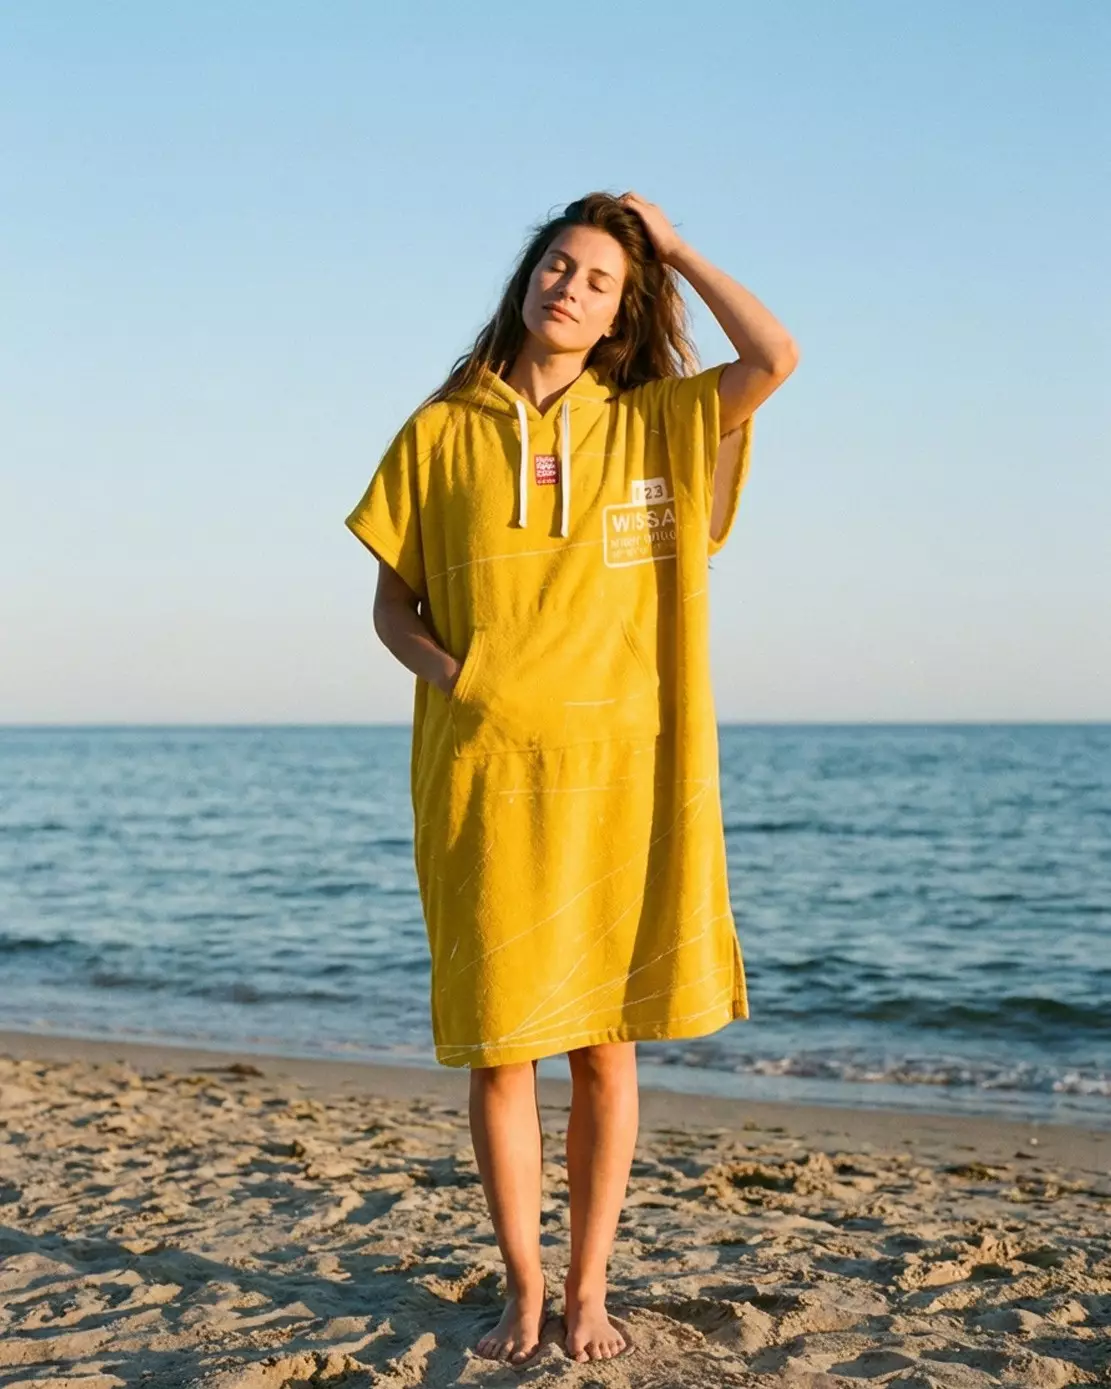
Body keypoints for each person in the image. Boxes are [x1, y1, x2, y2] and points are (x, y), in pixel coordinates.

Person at [344, 190, 798, 1365]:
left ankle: (590, 1290)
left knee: (603, 1044)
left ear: (617, 314)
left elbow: (774, 354)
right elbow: (390, 602)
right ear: (526, 278)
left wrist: (678, 245)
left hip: (620, 778)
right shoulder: (439, 429)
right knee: (502, 1046)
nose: (570, 288)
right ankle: (525, 1291)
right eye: (557, 265)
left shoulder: (657, 424)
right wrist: (458, 675)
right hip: (484, 772)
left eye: (599, 280)